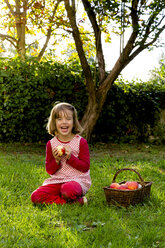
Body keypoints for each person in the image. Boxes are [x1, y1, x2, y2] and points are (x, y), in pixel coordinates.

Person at [31, 102, 91, 205]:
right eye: (59, 119)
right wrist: (57, 160)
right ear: (54, 122)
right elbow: (50, 170)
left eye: (68, 119)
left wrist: (70, 157)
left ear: (74, 122)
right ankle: (74, 202)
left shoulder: (81, 142)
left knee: (68, 190)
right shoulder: (51, 144)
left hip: (76, 181)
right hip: (57, 181)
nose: (64, 122)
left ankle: (65, 197)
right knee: (35, 196)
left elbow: (85, 167)